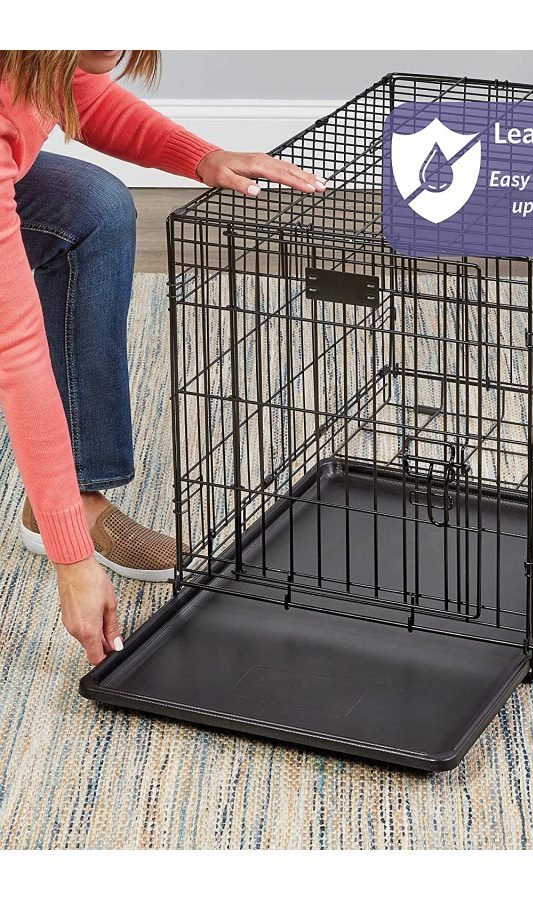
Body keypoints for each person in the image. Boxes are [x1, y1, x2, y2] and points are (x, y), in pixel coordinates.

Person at [0, 50, 325, 665]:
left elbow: (74, 88)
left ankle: (75, 498)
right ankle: (67, 521)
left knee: (91, 210)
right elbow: (16, 352)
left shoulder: (37, 48)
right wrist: (73, 565)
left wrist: (201, 157)